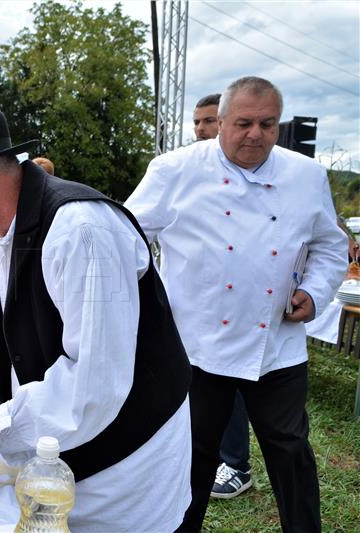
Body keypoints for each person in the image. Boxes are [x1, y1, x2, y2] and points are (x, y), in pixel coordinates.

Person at [0, 109, 192, 531]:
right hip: (57, 459)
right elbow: (8, 315)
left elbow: (95, 381)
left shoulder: (82, 231)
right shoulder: (1, 235)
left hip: (123, 469)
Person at [125, 77, 346, 532]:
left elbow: (330, 246)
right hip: (197, 344)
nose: (255, 134)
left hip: (277, 344)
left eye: (267, 124)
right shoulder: (175, 170)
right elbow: (128, 241)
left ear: (279, 126)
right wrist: (149, 311)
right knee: (194, 455)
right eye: (243, 123)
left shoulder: (306, 175)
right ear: (221, 122)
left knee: (290, 450)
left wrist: (316, 292)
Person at [192, 91, 255, 499]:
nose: (200, 129)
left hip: (237, 303)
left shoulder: (251, 176)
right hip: (197, 302)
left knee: (230, 383)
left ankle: (237, 465)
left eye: (209, 121)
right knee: (199, 386)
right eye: (196, 122)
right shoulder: (187, 170)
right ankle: (208, 456)